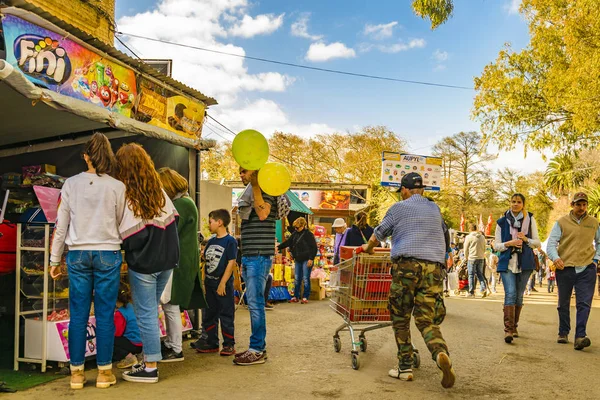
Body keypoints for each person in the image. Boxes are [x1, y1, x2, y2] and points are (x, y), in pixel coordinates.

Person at [361, 173, 455, 389]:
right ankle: (440, 352)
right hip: (433, 269)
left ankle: (405, 368)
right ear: (422, 190)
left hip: (407, 267)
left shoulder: (398, 208)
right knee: (426, 319)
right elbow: (443, 236)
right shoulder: (434, 209)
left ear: (404, 190)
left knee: (401, 317)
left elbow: (379, 233)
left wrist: (368, 248)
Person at [49, 133, 126, 390]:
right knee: (104, 315)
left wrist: (54, 259)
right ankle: (104, 373)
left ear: (85, 156)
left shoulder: (70, 184)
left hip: (78, 253)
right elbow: (120, 222)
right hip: (108, 252)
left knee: (78, 315)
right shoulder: (117, 186)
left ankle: (77, 374)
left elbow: (61, 226)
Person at [116, 144, 179, 383]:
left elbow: (134, 236)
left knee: (146, 315)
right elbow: (173, 222)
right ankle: (148, 359)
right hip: (167, 261)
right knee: (151, 312)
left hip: (145, 264)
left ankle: (150, 366)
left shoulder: (130, 196)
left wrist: (124, 247)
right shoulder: (160, 192)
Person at [157, 168, 207, 362]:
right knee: (171, 305)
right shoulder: (187, 201)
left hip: (178, 262)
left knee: (171, 305)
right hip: (183, 261)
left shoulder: (181, 204)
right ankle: (172, 343)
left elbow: (169, 230)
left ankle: (175, 347)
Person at [546, 192, 600, 350]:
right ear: (572, 205)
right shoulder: (561, 222)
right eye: (578, 204)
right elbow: (551, 244)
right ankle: (563, 332)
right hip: (565, 267)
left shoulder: (594, 222)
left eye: (584, 204)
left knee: (584, 303)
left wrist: (596, 259)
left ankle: (580, 336)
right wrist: (556, 258)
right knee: (563, 302)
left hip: (587, 268)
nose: (581, 208)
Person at [235, 167, 278, 365]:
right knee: (253, 302)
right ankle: (257, 347)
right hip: (251, 255)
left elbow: (263, 214)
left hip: (259, 256)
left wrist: (255, 184)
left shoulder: (267, 190)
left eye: (244, 171)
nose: (241, 175)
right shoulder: (250, 193)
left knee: (255, 303)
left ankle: (257, 349)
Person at [493, 193, 541, 344]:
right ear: (510, 203)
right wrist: (510, 243)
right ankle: (508, 329)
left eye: (518, 202)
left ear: (523, 204)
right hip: (507, 262)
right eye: (513, 201)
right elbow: (496, 245)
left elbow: (537, 243)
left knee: (519, 295)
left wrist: (526, 239)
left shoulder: (530, 219)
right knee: (511, 293)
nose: (515, 204)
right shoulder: (501, 222)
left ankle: (514, 326)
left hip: (525, 263)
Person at [193, 209, 237, 355]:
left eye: (210, 221)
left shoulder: (230, 241)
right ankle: (211, 342)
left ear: (220, 222)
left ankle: (229, 343)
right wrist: (204, 282)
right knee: (209, 314)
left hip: (222, 285)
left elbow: (231, 263)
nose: (208, 224)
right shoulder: (210, 241)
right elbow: (206, 262)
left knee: (226, 313)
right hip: (210, 284)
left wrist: (223, 283)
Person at [278, 217, 318, 304]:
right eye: (295, 228)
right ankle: (296, 296)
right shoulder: (295, 234)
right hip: (298, 259)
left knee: (305, 278)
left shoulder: (309, 235)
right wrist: (278, 247)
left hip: (307, 259)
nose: (296, 229)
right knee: (297, 279)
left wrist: (311, 258)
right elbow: (288, 242)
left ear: (303, 226)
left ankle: (305, 297)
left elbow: (314, 248)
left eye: (298, 227)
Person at [113, 282, 143, 369]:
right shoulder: (132, 306)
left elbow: (117, 333)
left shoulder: (120, 313)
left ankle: (129, 357)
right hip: (141, 343)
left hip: (133, 344)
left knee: (109, 340)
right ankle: (138, 356)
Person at [463, 223, 488, 298]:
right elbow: (484, 247)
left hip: (472, 257)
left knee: (471, 275)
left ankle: (471, 292)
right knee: (480, 274)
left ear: (470, 229)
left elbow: (466, 248)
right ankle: (483, 288)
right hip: (481, 257)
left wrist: (466, 257)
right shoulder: (482, 237)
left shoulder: (468, 237)